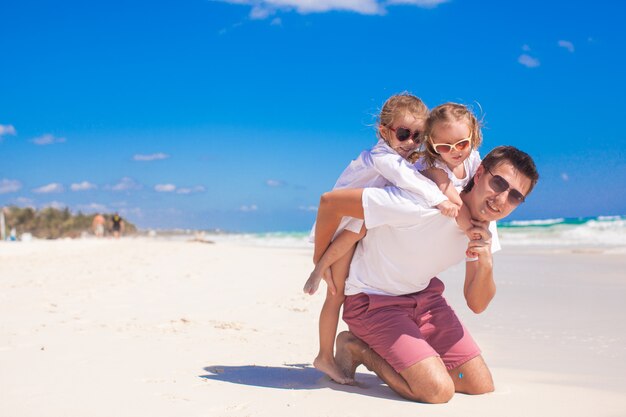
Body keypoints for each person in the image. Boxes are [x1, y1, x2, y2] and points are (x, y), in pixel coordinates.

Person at [313, 146, 539, 403]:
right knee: (437, 391)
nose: (501, 199)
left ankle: (417, 358)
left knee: (478, 384)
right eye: (498, 183)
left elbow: (477, 304)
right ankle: (357, 348)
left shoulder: (486, 224)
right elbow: (332, 202)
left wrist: (485, 259)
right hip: (374, 301)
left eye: (515, 197)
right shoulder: (421, 201)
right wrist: (319, 259)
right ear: (479, 174)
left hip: (425, 300)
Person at [302, 93, 459, 384]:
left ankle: (321, 269)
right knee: (335, 295)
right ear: (384, 131)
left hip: (356, 223)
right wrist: (441, 201)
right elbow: (407, 180)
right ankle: (324, 354)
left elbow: (420, 173)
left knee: (359, 233)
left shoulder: (402, 157)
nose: (411, 142)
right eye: (403, 134)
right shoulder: (382, 157)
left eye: (418, 136)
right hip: (342, 223)